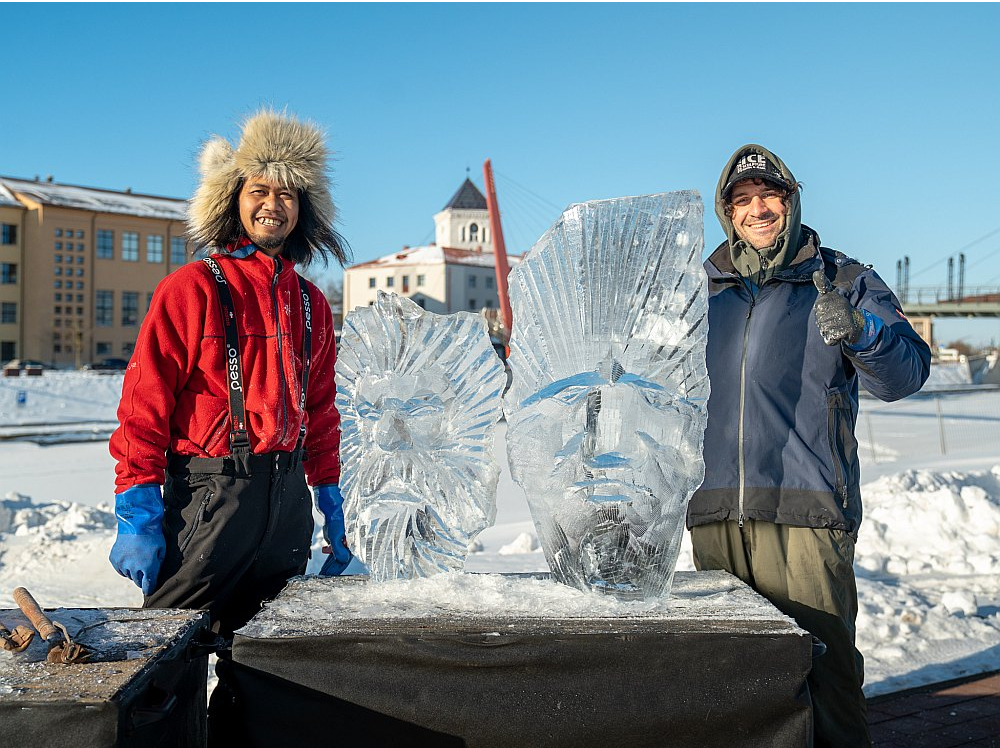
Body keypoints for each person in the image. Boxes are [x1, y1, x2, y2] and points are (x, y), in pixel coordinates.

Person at [107, 109, 352, 735]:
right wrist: (137, 512)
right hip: (211, 499)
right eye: (260, 190)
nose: (274, 204)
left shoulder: (310, 302)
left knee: (271, 664)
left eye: (288, 194)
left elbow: (321, 411)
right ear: (233, 201)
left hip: (287, 499)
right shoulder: (189, 289)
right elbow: (144, 406)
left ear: (304, 209)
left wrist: (331, 508)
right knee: (166, 658)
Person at [688, 144, 931, 748]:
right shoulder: (699, 292)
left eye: (768, 195)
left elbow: (904, 376)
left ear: (791, 201)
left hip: (806, 509)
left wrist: (864, 332)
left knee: (823, 672)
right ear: (727, 213)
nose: (757, 209)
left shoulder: (842, 280)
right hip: (714, 511)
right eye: (742, 201)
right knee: (730, 677)